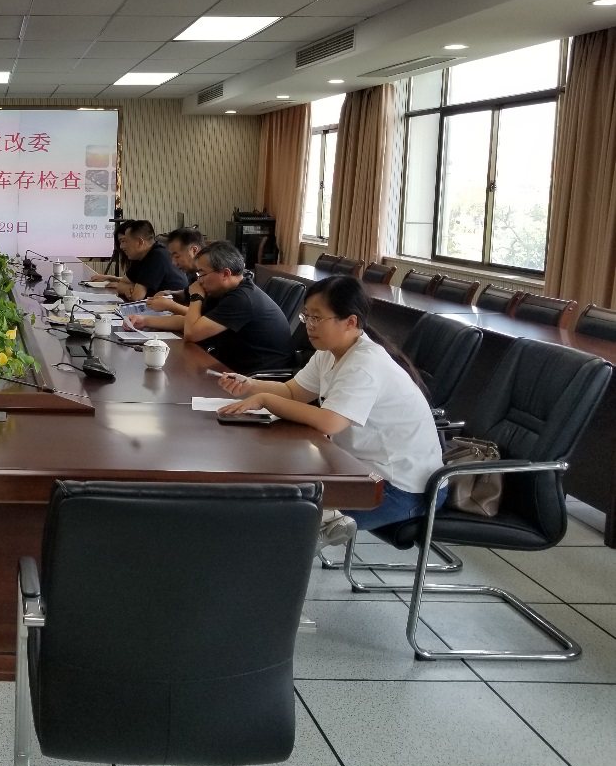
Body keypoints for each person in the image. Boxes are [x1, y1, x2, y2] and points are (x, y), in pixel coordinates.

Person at [218, 275, 444, 548]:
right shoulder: (329, 351)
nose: (309, 325)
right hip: (361, 470)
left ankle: (300, 544)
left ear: (350, 321)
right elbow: (293, 391)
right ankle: (317, 529)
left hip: (404, 489)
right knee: (278, 494)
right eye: (306, 316)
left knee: (288, 513)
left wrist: (265, 399)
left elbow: (329, 422)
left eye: (317, 317)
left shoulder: (364, 364)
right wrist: (251, 385)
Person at [127, 240, 293, 374]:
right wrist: (144, 320)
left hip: (254, 376)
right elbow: (191, 321)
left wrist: (196, 297)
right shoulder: (224, 291)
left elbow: (192, 333)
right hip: (230, 366)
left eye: (202, 274)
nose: (199, 280)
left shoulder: (242, 298)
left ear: (226, 273)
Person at [89, 220, 186, 300]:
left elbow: (136, 296)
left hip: (172, 311)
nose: (122, 246)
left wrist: (126, 288)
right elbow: (124, 282)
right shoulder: (141, 256)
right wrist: (126, 287)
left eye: (125, 241)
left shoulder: (157, 256)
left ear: (140, 242)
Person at [144, 226, 206, 314]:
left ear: (194, 250)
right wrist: (169, 294)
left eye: (177, 256)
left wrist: (170, 306)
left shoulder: (212, 276)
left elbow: (205, 316)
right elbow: (186, 294)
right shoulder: (193, 273)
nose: (174, 262)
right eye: (172, 257)